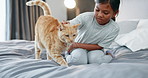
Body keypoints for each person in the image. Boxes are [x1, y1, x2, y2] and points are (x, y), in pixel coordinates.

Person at [64, 0, 120, 65]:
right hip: (77, 47)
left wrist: (76, 44)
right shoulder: (85, 17)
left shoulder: (114, 29)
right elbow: (72, 24)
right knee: (78, 61)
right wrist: (66, 25)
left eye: (105, 13)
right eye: (97, 10)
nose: (99, 15)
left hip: (95, 49)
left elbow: (99, 46)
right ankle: (66, 54)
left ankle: (109, 54)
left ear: (115, 13)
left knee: (96, 61)